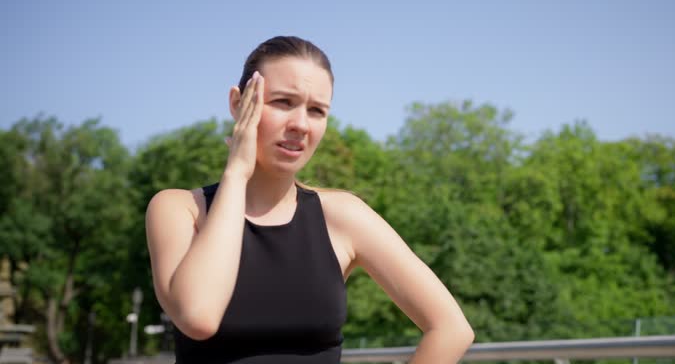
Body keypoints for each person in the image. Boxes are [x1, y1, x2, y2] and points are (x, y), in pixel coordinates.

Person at [145, 36, 474, 363]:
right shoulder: (179, 209)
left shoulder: (343, 216)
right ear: (237, 103)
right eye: (283, 102)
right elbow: (198, 317)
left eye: (316, 110)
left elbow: (451, 328)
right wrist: (236, 175)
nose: (300, 124)